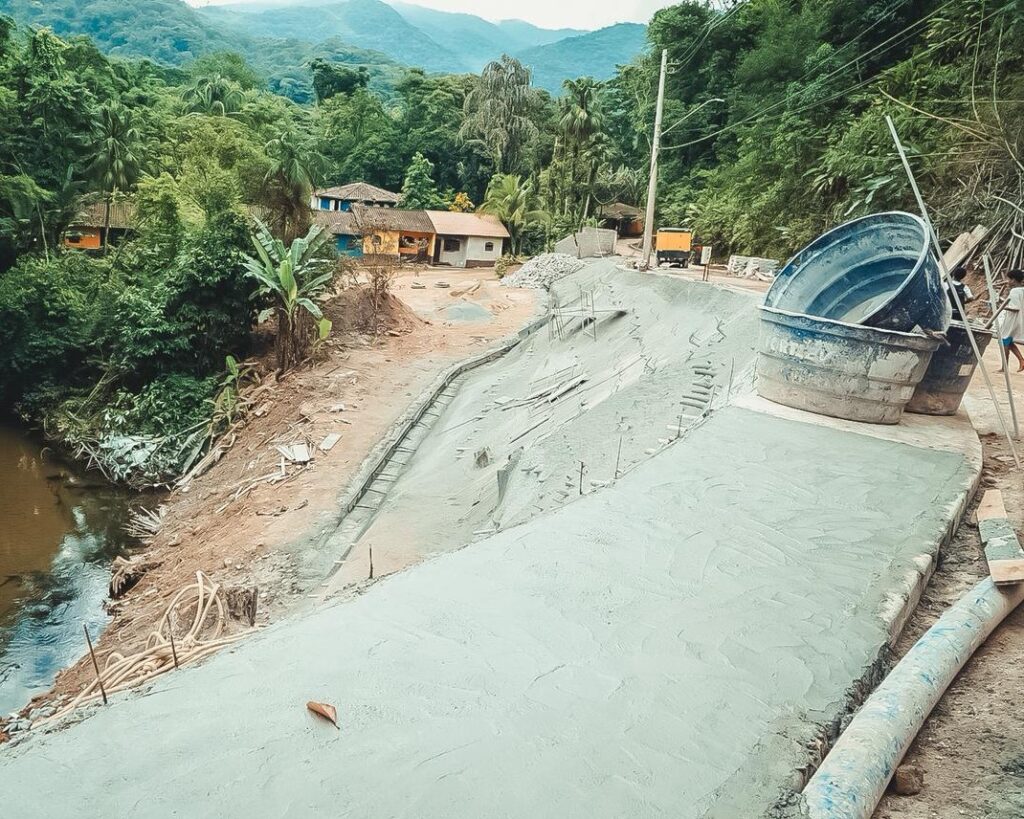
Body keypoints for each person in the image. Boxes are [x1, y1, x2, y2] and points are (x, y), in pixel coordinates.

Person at [998, 269, 1024, 373]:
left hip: (1011, 319)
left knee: (1004, 341)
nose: (1008, 281)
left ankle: (1004, 367)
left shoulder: (1014, 291)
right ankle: (1021, 360)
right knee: (1008, 341)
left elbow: (1015, 307)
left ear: (1013, 280)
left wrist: (1002, 307)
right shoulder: (1022, 290)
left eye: (1008, 279)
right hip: (1018, 319)